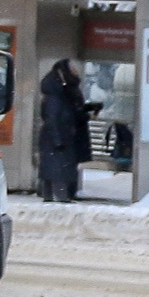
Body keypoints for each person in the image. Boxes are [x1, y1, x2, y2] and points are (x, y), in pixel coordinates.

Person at [35, 59, 91, 203]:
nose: (75, 72)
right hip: (57, 139)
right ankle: (59, 197)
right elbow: (52, 119)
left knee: (56, 169)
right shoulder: (56, 96)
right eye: (72, 69)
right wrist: (58, 139)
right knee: (57, 171)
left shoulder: (64, 93)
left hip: (60, 138)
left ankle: (55, 196)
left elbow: (69, 114)